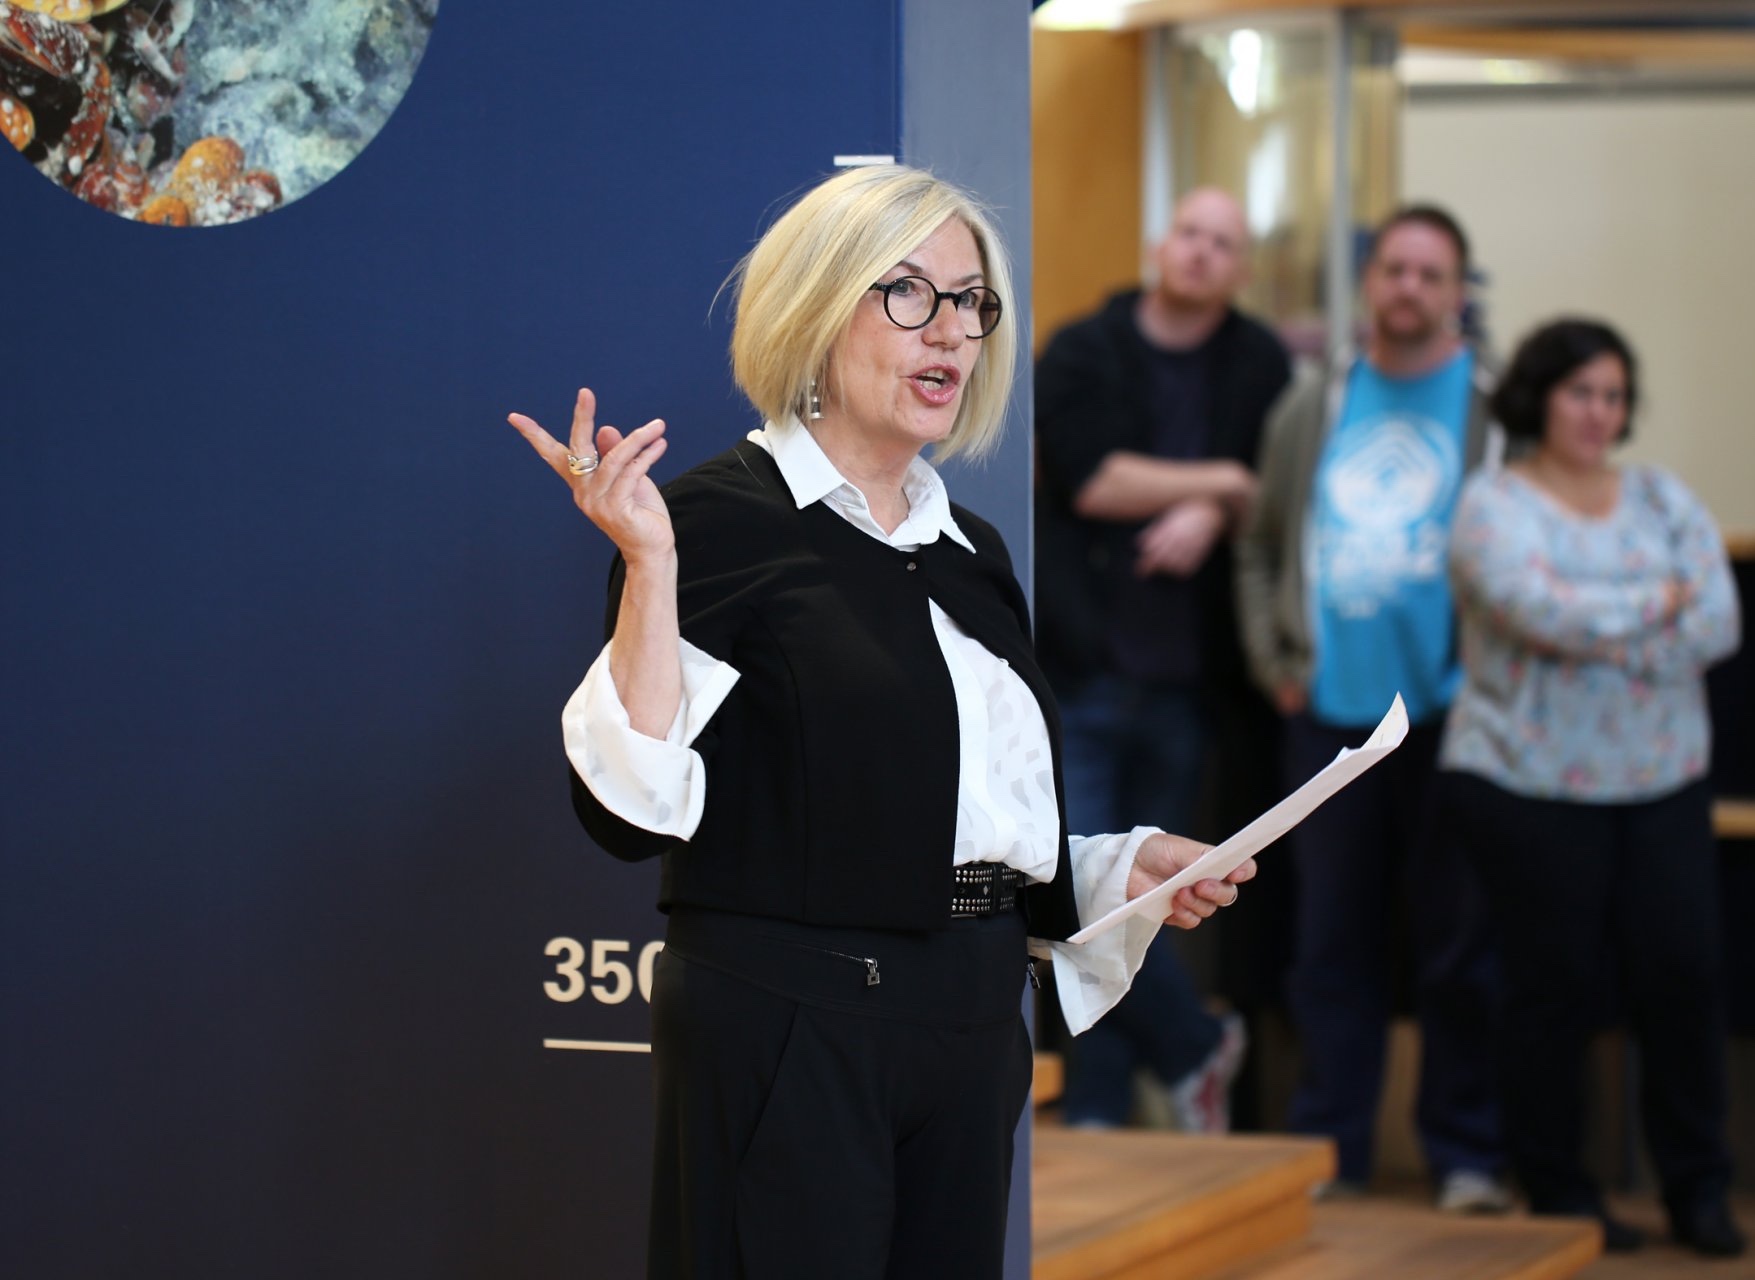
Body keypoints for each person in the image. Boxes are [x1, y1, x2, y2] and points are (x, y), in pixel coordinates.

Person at [506, 164, 1255, 1280]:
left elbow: (962, 815)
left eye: (970, 302)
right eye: (908, 293)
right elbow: (626, 808)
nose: (950, 330)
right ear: (816, 308)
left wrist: (1117, 864)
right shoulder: (712, 521)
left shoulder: (974, 552)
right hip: (793, 1025)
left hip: (970, 1022)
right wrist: (649, 565)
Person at [1440, 318, 1743, 1256]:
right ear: (1541, 397)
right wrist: (1656, 601)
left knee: (1683, 981)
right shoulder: (1493, 506)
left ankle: (1697, 1191)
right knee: (1553, 990)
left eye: (1612, 395)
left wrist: (1599, 619)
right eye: (1580, 392)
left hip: (1661, 779)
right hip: (1526, 781)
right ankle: (1562, 1189)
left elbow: (1719, 623)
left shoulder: (1660, 498)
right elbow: (1535, 612)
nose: (1598, 412)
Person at [1234, 205, 1507, 1212]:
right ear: (1372, 282)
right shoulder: (1315, 404)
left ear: (1457, 292)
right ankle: (1332, 1148)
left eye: (1430, 273)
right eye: (1394, 268)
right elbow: (1260, 546)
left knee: (1459, 947)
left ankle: (1466, 1152)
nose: (1408, 288)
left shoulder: (1491, 412)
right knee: (1328, 945)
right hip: (1328, 717)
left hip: (1453, 721)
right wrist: (1276, 660)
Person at [1034, 188, 1291, 1131]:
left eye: (1222, 242)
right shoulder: (1082, 348)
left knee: (1155, 901)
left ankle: (1100, 1102)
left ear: (1240, 267)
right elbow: (1091, 477)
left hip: (1190, 683)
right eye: (1189, 233)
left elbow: (1283, 490)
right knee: (1092, 890)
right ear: (1157, 244)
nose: (1200, 253)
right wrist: (1219, 484)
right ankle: (1190, 1047)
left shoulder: (1258, 362)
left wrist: (1215, 509)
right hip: (1086, 666)